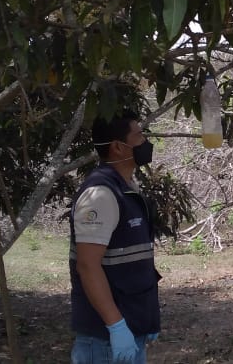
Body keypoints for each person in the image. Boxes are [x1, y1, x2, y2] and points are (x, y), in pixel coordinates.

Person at [69, 110, 162, 364]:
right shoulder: (100, 195)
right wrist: (116, 326)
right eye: (139, 135)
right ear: (118, 147)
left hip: (131, 329)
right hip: (105, 341)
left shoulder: (126, 188)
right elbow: (88, 266)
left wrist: (146, 317)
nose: (145, 142)